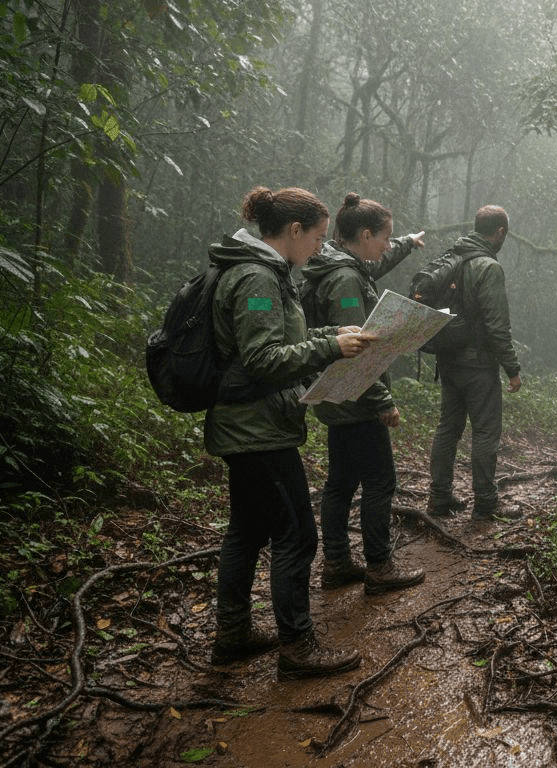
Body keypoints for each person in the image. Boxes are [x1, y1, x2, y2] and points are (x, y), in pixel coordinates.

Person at [206, 185, 371, 680]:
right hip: (258, 430)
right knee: (297, 535)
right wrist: (329, 351)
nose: (321, 247)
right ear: (294, 231)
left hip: (250, 425)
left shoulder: (261, 270)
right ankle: (297, 648)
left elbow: (283, 342)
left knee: (248, 530)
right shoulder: (257, 277)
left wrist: (332, 337)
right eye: (318, 237)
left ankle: (232, 636)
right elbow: (261, 360)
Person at [301, 193, 427, 594]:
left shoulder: (342, 265)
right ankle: (379, 565)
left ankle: (337, 563)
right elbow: (358, 350)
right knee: (379, 480)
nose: (387, 247)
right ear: (366, 234)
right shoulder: (347, 279)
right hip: (354, 397)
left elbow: (380, 263)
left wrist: (407, 242)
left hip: (338, 397)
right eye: (386, 238)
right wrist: (382, 402)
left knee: (340, 481)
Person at [425, 205, 522, 521]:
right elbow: (497, 326)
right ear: (500, 233)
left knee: (448, 428)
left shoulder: (453, 257)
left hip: (448, 359)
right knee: (484, 432)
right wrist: (512, 369)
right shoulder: (488, 268)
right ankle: (485, 503)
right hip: (478, 365)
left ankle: (439, 499)